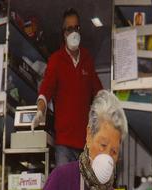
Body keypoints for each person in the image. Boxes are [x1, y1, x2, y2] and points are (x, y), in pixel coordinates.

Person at [31, 8, 103, 166]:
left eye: (76, 28)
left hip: (86, 143)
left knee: (84, 189)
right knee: (65, 188)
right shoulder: (56, 60)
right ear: (63, 33)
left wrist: (109, 114)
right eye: (69, 29)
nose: (73, 32)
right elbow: (46, 89)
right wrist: (40, 110)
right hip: (63, 143)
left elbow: (99, 93)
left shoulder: (87, 59)